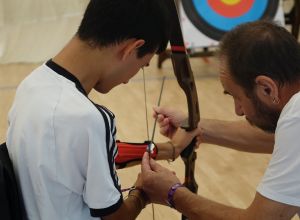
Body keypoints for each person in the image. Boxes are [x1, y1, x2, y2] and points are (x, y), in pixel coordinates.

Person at [5, 0, 196, 219]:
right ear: (131, 48)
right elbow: (116, 217)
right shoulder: (87, 118)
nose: (127, 81)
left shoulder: (31, 85)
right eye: (142, 65)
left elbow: (82, 155)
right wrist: (143, 192)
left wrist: (171, 148)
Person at [141, 20, 300, 219]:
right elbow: (277, 139)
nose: (238, 111)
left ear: (268, 88)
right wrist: (196, 126)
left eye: (237, 97)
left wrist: (172, 193)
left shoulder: (296, 115)